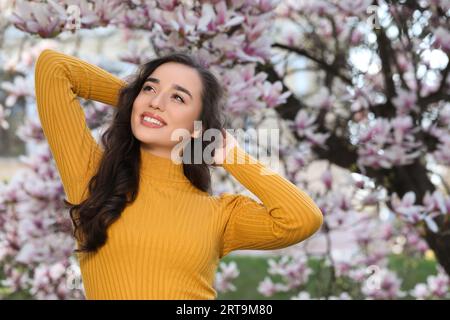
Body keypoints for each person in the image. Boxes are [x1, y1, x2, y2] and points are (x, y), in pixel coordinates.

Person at [34, 48, 323, 300]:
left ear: (197, 127)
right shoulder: (93, 179)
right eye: (149, 88)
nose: (157, 101)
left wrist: (233, 157)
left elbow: (301, 219)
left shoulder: (219, 214)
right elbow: (53, 67)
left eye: (178, 98)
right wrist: (133, 100)